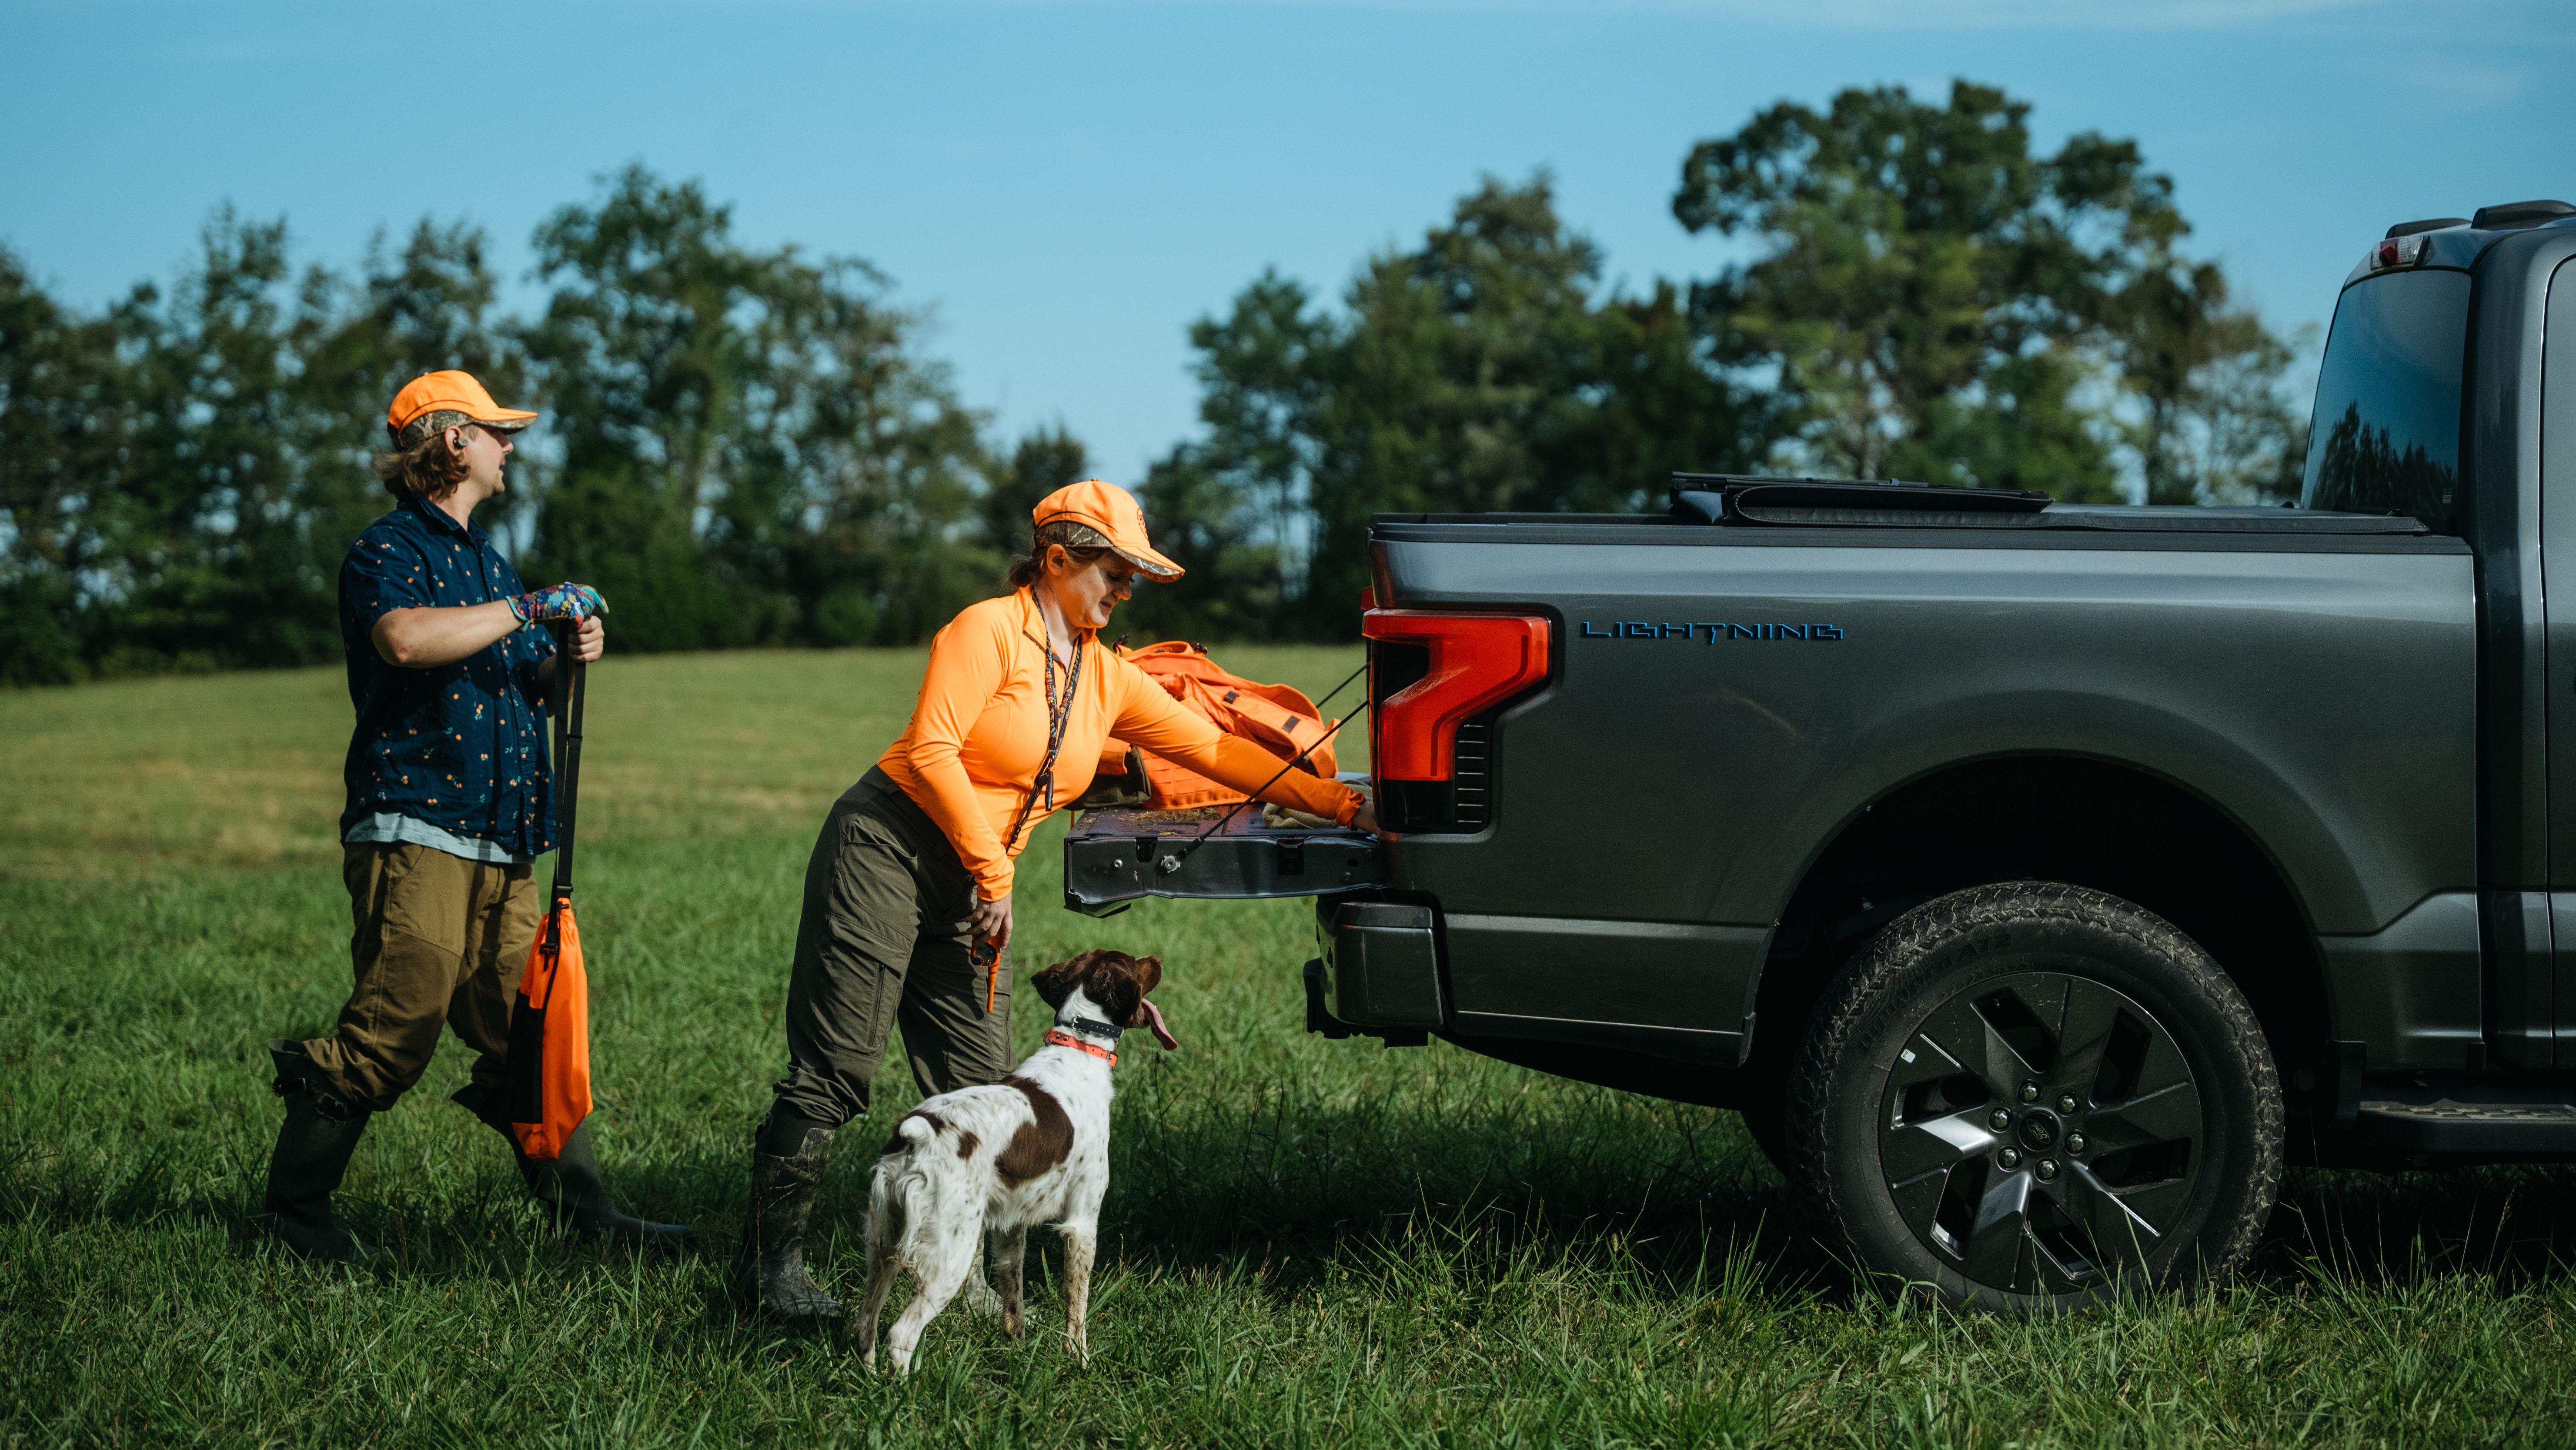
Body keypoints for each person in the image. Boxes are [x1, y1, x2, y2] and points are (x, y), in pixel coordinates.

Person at [743, 479, 1378, 1318]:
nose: (1125, 590)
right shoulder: (985, 631)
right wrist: (996, 875)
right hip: (887, 845)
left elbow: (1220, 751)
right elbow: (933, 750)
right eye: (1115, 571)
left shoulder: (1105, 675)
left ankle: (962, 1282)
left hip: (974, 883)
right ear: (1056, 560)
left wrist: (1339, 804)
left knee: (987, 1090)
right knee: (839, 1068)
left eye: (1133, 578)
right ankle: (770, 1276)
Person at [259, 370, 691, 1261]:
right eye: (498, 431)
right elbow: (406, 640)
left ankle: (590, 1219)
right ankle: (294, 1218)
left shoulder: (491, 562)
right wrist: (530, 609)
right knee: (395, 1029)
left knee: (530, 1040)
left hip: (507, 838)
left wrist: (568, 656)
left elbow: (527, 676)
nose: (510, 446)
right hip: (418, 825)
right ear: (453, 441)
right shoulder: (387, 550)